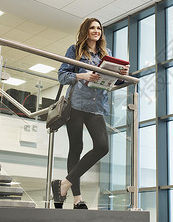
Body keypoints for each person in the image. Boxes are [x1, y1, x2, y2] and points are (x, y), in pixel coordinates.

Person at [52, 17, 129, 209]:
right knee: (76, 148)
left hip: (96, 107)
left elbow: (109, 81)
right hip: (77, 104)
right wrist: (82, 75)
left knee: (102, 147)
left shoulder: (106, 53)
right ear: (86, 31)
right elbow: (62, 76)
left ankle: (63, 185)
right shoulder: (75, 50)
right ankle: (77, 199)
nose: (96, 31)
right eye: (92, 28)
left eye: (99, 28)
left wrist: (121, 76)